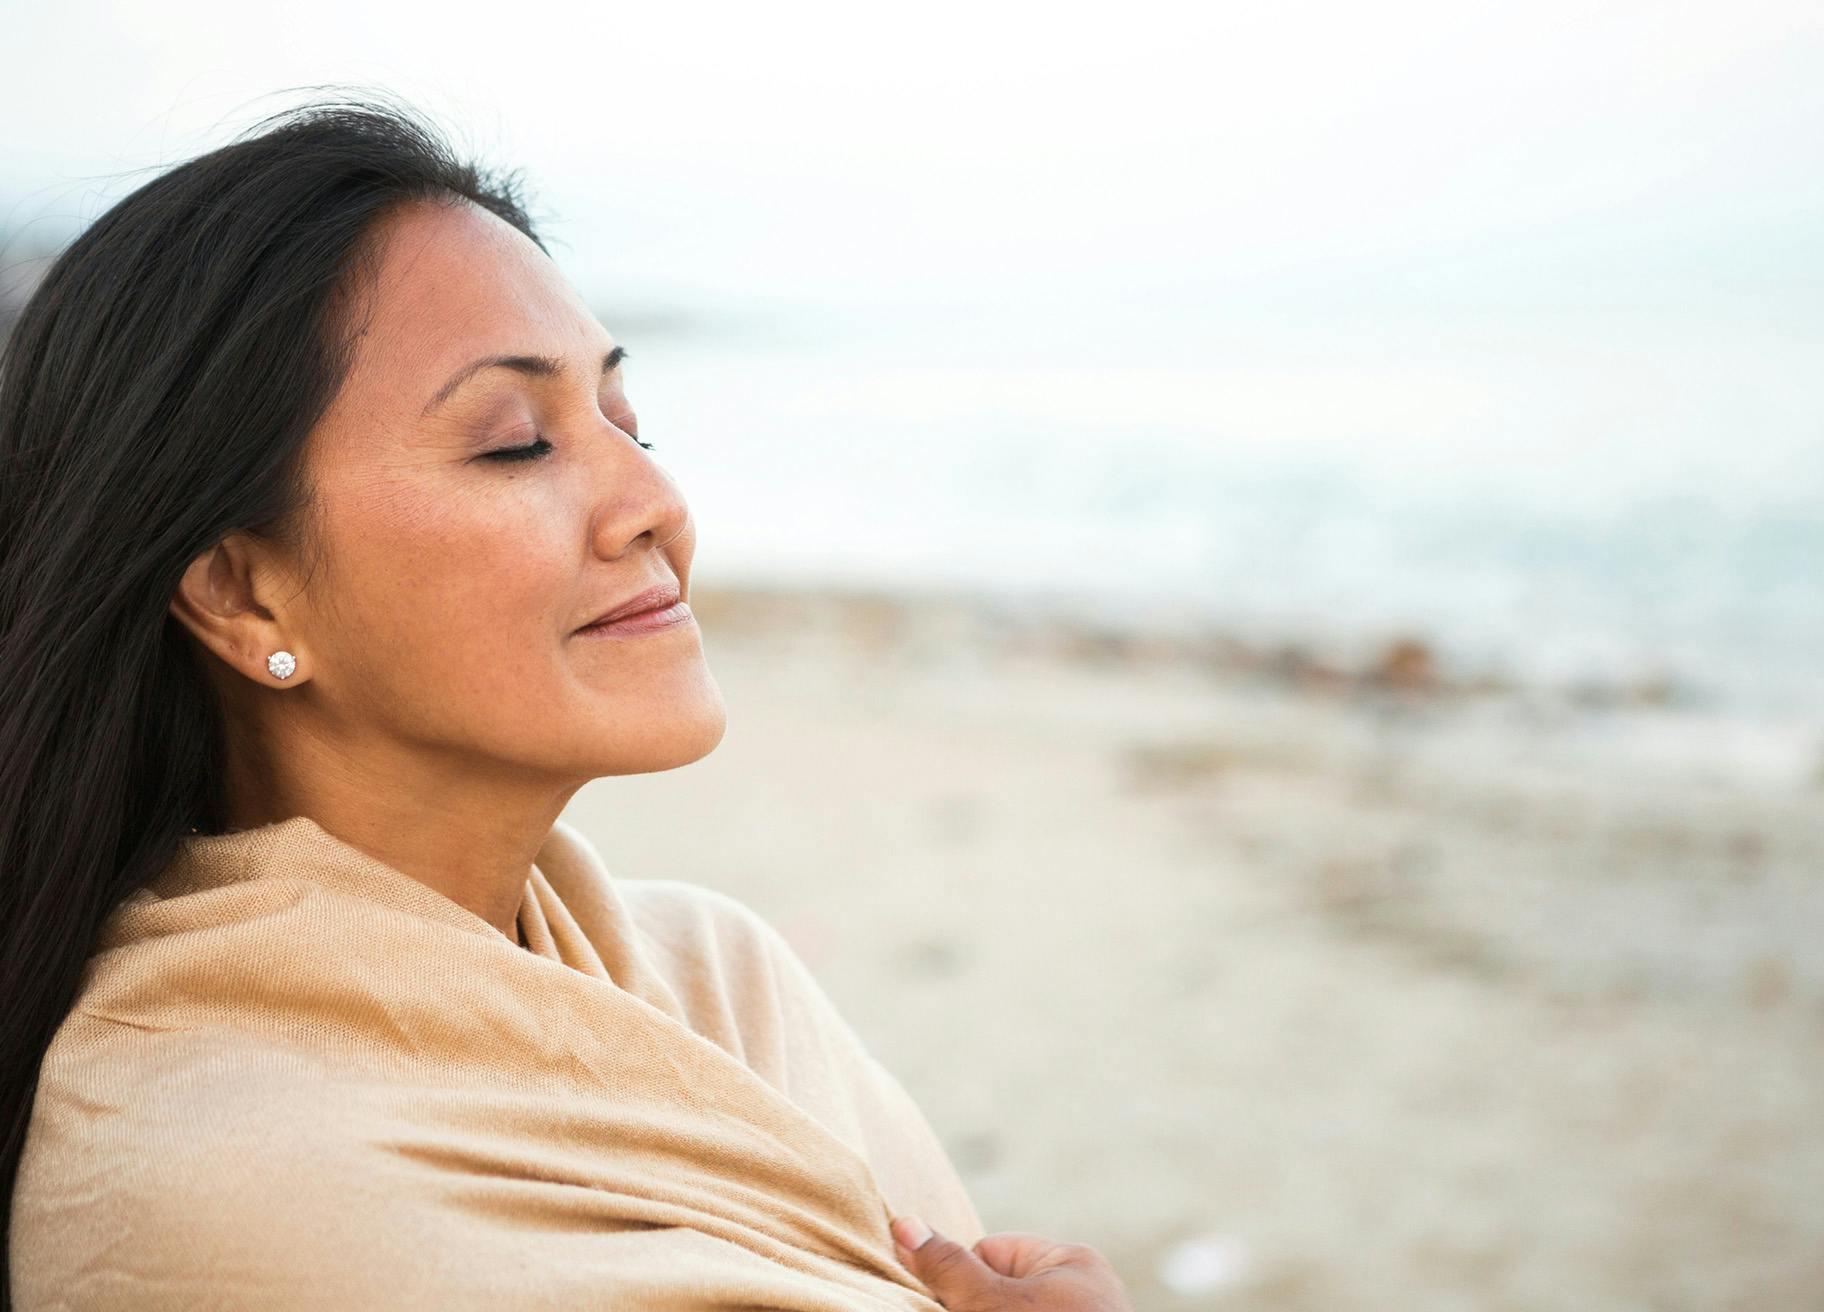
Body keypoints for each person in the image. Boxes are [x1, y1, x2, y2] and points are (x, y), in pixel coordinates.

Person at [0, 90, 1133, 1310]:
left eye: (626, 419)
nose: (653, 497)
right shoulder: (217, 1188)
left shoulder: (721, 979)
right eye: (514, 443)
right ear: (243, 594)